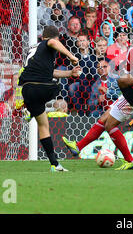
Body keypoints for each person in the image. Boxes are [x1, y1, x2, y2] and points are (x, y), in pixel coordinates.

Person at [18, 25, 80, 172]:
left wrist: (70, 73)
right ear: (55, 38)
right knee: (56, 88)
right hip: (41, 86)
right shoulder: (49, 43)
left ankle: (55, 164)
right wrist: (71, 57)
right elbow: (52, 43)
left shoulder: (35, 50)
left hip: (27, 89)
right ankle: (29, 111)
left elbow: (50, 72)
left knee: (43, 125)